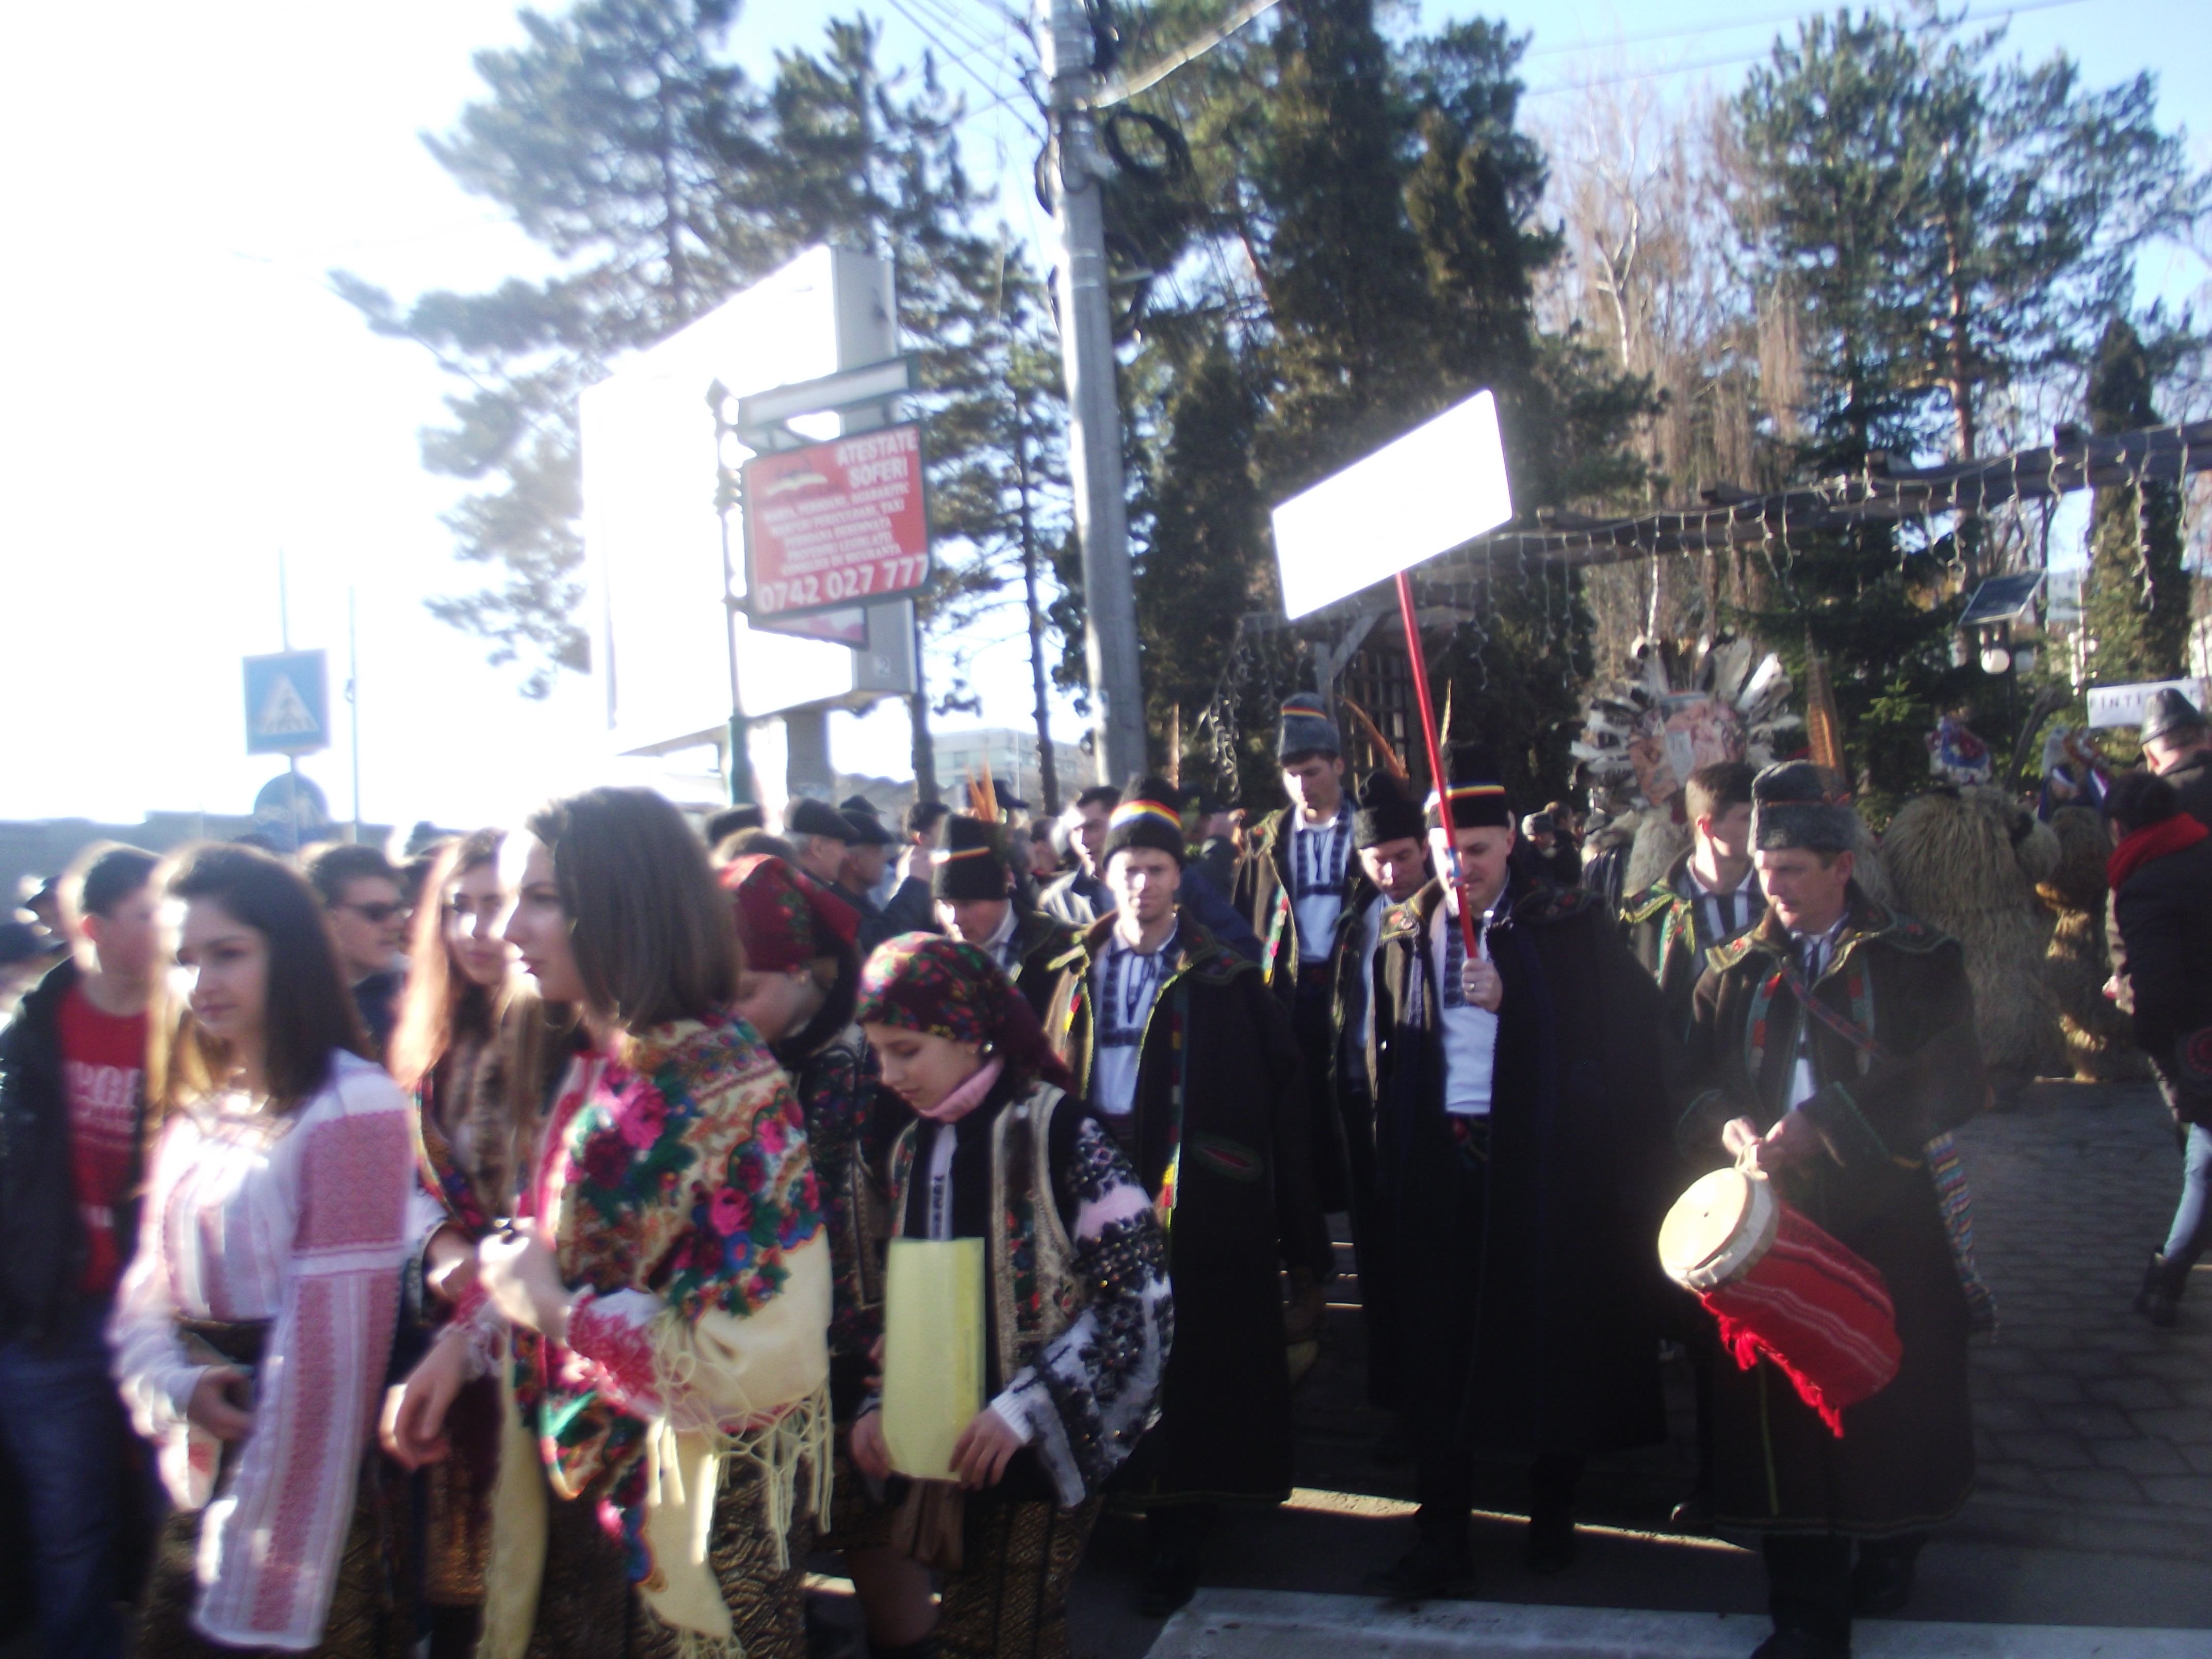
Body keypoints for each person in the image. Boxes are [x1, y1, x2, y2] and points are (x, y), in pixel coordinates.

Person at [381, 788, 832, 1659]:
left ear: (627, 903)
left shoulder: (721, 1084)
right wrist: (465, 1340)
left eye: (542, 899)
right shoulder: (604, 1061)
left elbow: (760, 1359)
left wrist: (557, 1315)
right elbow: (550, 1248)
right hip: (594, 1493)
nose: (507, 930)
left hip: (690, 1518)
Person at [1674, 762, 1985, 1659]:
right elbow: (1687, 1079)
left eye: (1791, 872)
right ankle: (1806, 1615)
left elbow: (1956, 1076)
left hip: (1890, 1214)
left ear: (1842, 866)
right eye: (1764, 871)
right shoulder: (1731, 970)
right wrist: (1726, 1126)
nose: (1771, 889)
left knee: (1890, 1391)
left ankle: (1891, 1543)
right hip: (1774, 1227)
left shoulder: (1918, 958)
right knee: (1782, 1409)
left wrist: (1828, 1125)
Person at [1365, 744, 1673, 1598]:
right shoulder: (1405, 927)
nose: (1459, 866)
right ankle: (1441, 1530)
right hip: (1439, 1159)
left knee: (1548, 1330)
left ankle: (1552, 1505)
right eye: (1445, 850)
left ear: (1509, 838)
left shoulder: (1566, 920)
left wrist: (1520, 1002)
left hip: (1540, 1164)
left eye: (1476, 849)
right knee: (1438, 1340)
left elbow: (1624, 1040)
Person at [112, 843, 414, 1656]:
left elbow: (331, 1351)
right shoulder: (200, 1110)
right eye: (183, 959)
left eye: (228, 953)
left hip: (301, 1481)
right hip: (206, 1453)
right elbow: (146, 1288)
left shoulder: (352, 1103)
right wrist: (174, 1384)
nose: (201, 981)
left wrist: (253, 1546)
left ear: (290, 953)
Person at [1042, 776, 1330, 1615]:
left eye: (1158, 869)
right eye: (1128, 868)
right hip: (1082, 1189)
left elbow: (1282, 1106)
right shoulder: (1065, 969)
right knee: (1093, 1341)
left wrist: (1303, 1247)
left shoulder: (1227, 978)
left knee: (1186, 1356)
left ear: (1180, 878)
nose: (1142, 884)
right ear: (1106, 873)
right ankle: (1100, 1500)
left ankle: (1178, 1522)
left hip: (1190, 1199)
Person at [849, 935, 1169, 1659]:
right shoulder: (912, 1147)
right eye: (879, 1053)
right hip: (945, 1450)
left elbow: (1142, 1299)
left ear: (969, 1035)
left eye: (906, 1051)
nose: (888, 1075)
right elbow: (903, 1305)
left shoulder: (1064, 1133)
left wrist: (1027, 1408)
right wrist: (881, 1404)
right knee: (989, 1632)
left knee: (1002, 1631)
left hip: (1038, 1455)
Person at [722, 853, 933, 1659]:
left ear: (807, 971)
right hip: (764, 1357)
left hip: (863, 1350)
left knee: (878, 1540)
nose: (730, 1014)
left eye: (745, 992)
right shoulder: (737, 1064)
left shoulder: (875, 1062)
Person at [0, 843, 161, 1659]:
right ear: (95, 928)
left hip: (168, 1318)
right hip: (52, 1318)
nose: (172, 929)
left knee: (179, 1518)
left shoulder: (201, 1025)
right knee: (68, 1529)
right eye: (150, 914)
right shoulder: (28, 1035)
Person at [384, 830, 532, 1658]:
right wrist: (438, 1243)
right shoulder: (433, 1039)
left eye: (497, 905)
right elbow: (399, 1178)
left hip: (543, 1329)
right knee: (456, 1592)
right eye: (458, 908)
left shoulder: (565, 1034)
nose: (477, 930)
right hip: (452, 1324)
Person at [1233, 693, 1373, 1217]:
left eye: (1312, 772)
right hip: (1287, 990)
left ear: (1339, 765)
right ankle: (1309, 1224)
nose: (1302, 785)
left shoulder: (1368, 830)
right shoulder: (1265, 840)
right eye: (1291, 775)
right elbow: (1244, 919)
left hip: (1353, 984)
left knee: (1354, 1093)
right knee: (1295, 1102)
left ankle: (1360, 1206)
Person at [1336, 773, 1430, 1440]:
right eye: (1378, 860)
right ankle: (1394, 1398)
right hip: (1359, 1106)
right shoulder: (1354, 920)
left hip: (1423, 1109)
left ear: (1425, 849)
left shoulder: (1445, 914)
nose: (1392, 872)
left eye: (1402, 856)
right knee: (1377, 1261)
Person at [2104, 771, 2212, 1325]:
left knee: (2204, 1163)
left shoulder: (2145, 883)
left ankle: (2166, 1279)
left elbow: (2158, 985)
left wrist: (2156, 1045)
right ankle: (2166, 1280)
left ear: (2120, 827)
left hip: (2197, 1044)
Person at [1623, 761, 1764, 1037]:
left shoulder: (1781, 898)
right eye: (1748, 817)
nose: (1761, 827)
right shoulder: (1651, 913)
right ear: (1707, 827)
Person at [933, 815, 1076, 1016]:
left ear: (1003, 890)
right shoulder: (934, 963)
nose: (954, 919)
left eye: (967, 905)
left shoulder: (1064, 947)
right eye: (945, 905)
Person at [305, 843, 411, 1058]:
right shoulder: (285, 999)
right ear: (326, 918)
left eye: (398, 910)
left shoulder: (416, 993)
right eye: (377, 912)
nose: (397, 924)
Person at [1038, 787, 1120, 928]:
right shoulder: (1059, 900)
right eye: (1076, 831)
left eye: (1093, 827)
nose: (1083, 840)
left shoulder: (1153, 886)